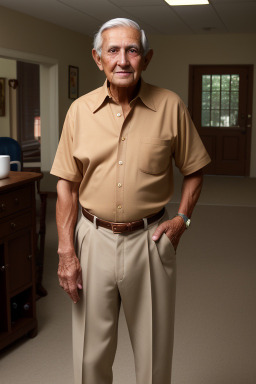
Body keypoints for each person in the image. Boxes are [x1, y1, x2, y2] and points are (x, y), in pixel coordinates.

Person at [51, 18, 211, 384]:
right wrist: (65, 251)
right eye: (113, 50)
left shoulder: (170, 106)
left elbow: (196, 169)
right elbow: (66, 185)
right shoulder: (79, 111)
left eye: (132, 50)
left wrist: (182, 221)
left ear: (146, 57)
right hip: (92, 239)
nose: (122, 60)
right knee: (90, 358)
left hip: (151, 239)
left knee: (154, 358)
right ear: (98, 58)